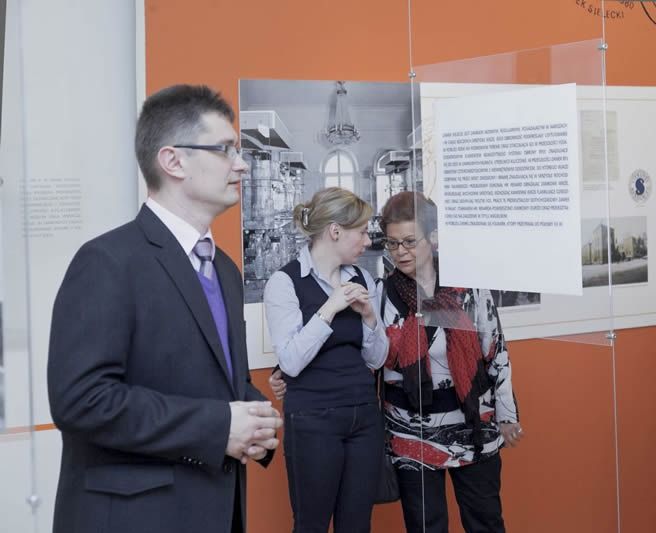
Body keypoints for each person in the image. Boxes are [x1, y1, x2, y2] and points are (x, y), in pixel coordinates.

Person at [47, 84, 282, 533]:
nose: (241, 164)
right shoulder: (107, 261)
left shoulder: (225, 269)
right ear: (173, 161)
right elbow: (82, 400)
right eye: (225, 149)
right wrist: (217, 426)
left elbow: (217, 381)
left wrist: (255, 416)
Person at [273, 191, 522, 532]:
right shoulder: (381, 292)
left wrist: (507, 415)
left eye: (409, 242)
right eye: (392, 244)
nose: (400, 251)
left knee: (486, 521)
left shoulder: (469, 289)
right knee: (424, 525)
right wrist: (285, 371)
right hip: (409, 430)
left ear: (433, 238)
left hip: (473, 425)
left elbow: (495, 351)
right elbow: (360, 349)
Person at [263, 187, 388, 533]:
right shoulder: (284, 282)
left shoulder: (362, 279)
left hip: (364, 417)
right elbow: (290, 362)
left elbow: (377, 359)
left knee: (357, 525)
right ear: (335, 231)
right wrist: (329, 308)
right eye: (361, 232)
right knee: (311, 525)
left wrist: (369, 318)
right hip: (312, 421)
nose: (367, 241)